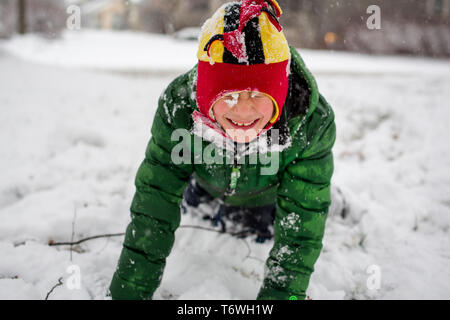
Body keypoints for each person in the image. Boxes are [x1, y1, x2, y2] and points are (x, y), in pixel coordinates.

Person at [109, 0, 336, 300]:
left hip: (266, 197)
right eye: (227, 94)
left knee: (263, 221)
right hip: (205, 183)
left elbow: (301, 225)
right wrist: (129, 292)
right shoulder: (178, 108)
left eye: (258, 93)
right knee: (193, 201)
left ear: (280, 92)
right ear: (205, 93)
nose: (242, 110)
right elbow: (155, 202)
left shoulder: (309, 122)